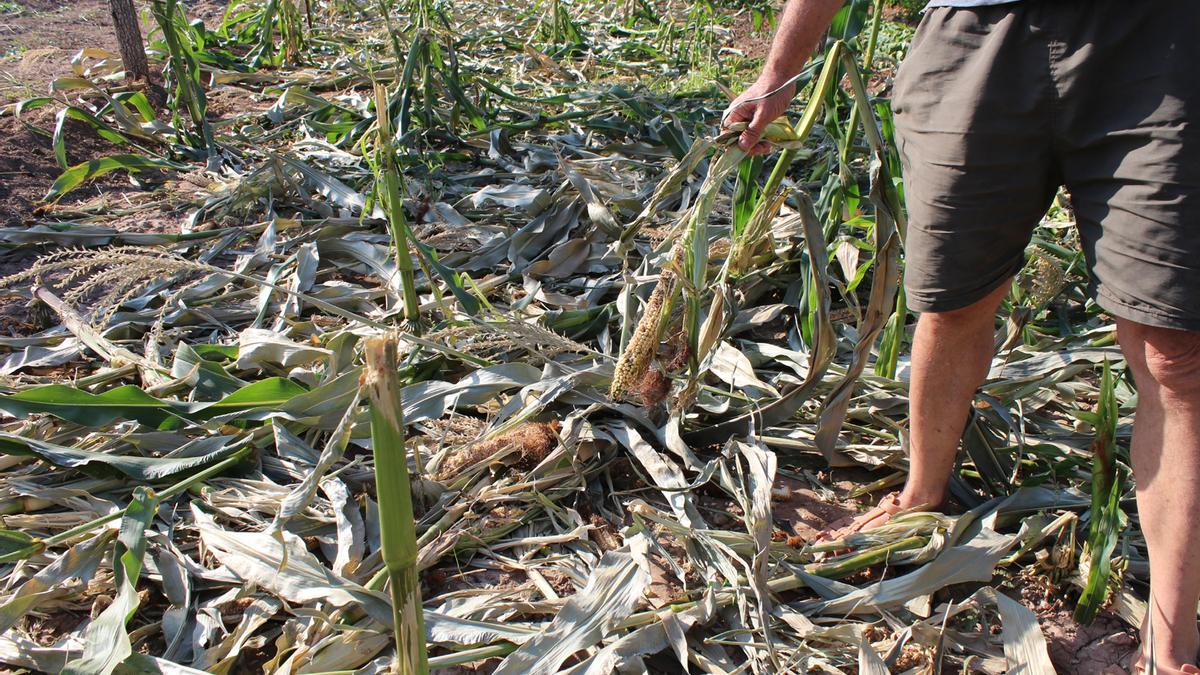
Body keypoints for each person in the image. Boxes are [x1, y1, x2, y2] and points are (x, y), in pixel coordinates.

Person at [723, 0, 1200, 671]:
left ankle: (1171, 642)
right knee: (953, 303)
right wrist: (779, 72)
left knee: (1175, 354)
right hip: (979, 34)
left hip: (1162, 43)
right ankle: (922, 491)